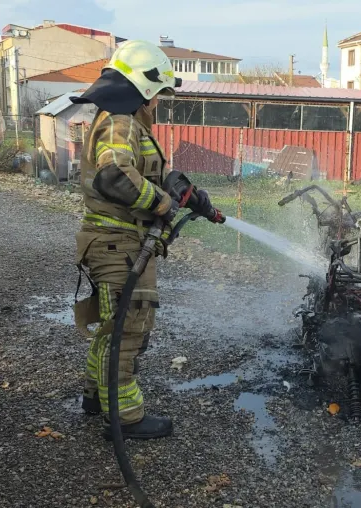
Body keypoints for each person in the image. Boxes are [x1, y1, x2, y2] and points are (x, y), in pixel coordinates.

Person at [70, 40, 224, 440]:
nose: (158, 104)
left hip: (114, 241)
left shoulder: (124, 122)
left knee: (111, 327)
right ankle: (126, 419)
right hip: (117, 244)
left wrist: (186, 197)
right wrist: (163, 204)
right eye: (157, 96)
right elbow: (114, 176)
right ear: (144, 89)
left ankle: (95, 397)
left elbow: (135, 173)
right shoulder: (121, 122)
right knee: (128, 328)